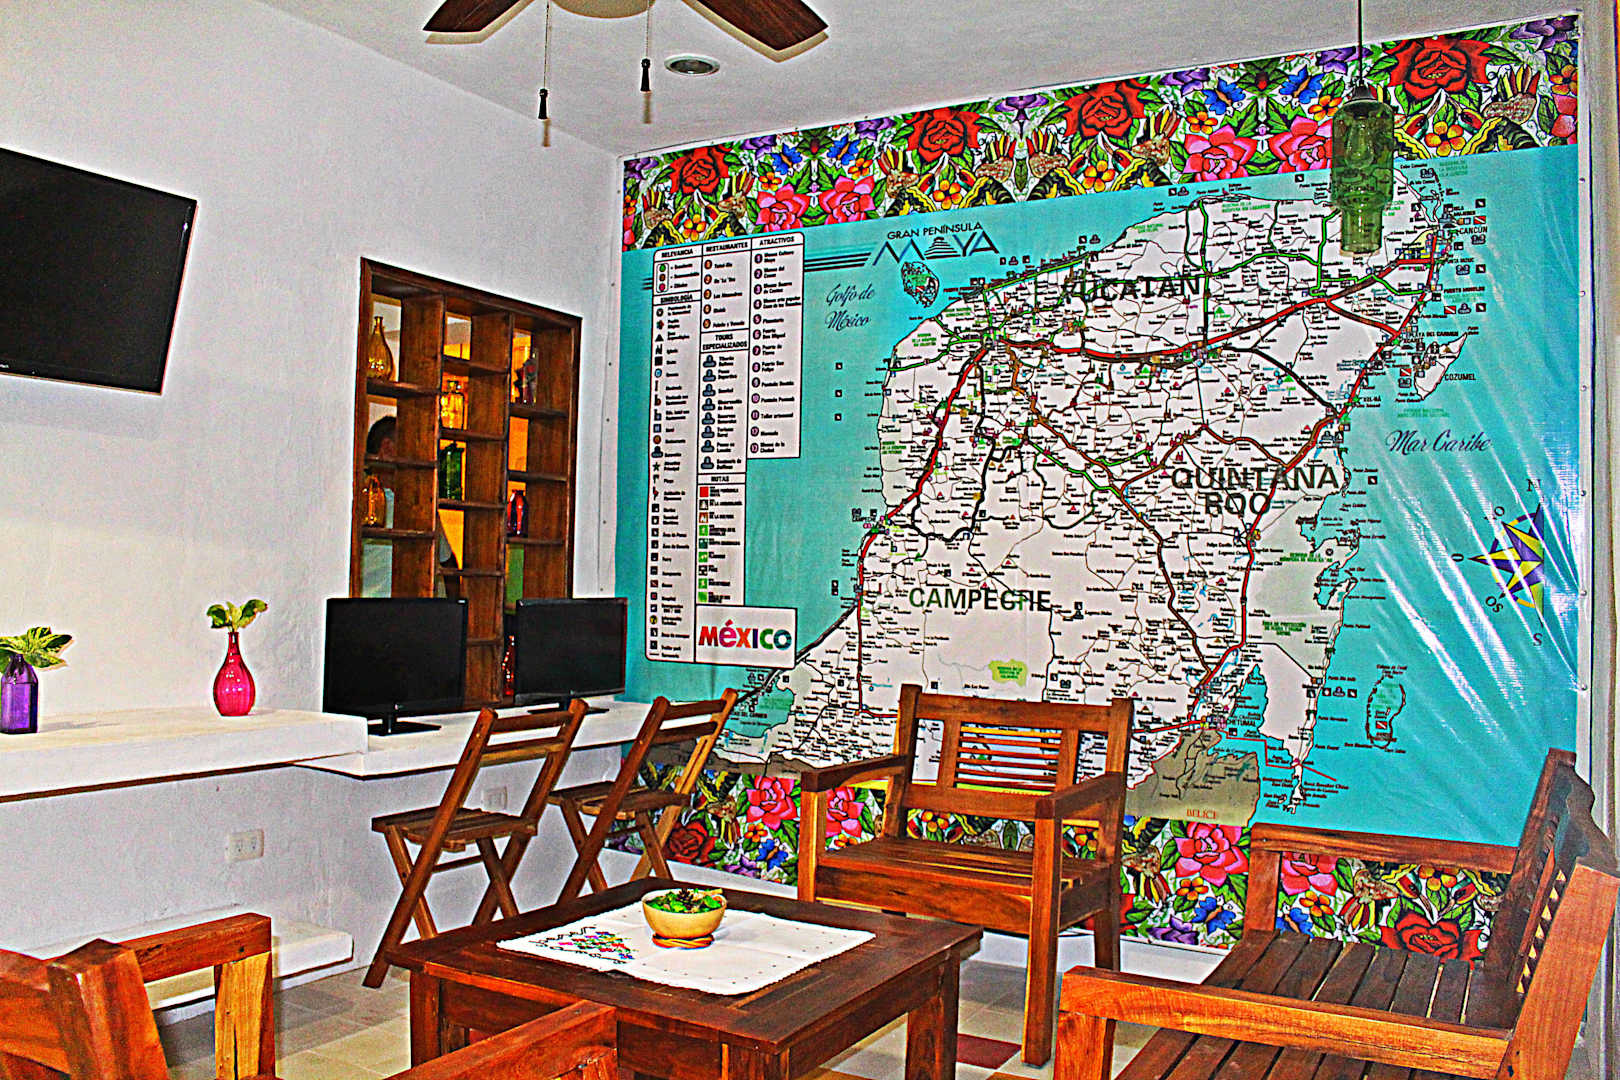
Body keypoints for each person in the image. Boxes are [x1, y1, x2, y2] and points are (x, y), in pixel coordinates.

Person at [360, 416, 457, 597]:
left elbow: (448, 562)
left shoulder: (420, 503)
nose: (424, 456)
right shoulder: (360, 501)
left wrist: (457, 611)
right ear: (388, 449)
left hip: (422, 611)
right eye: (415, 446)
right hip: (372, 612)